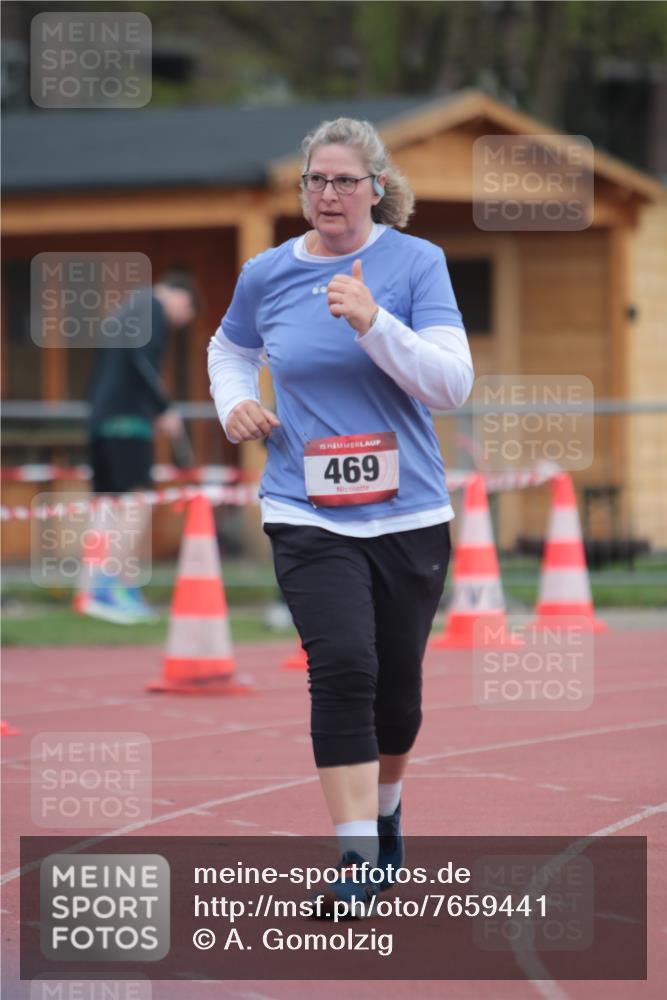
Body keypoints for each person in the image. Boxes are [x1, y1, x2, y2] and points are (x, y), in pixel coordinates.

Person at [208, 118, 473, 914]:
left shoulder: (415, 263)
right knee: (344, 669)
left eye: (343, 181)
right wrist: (235, 404)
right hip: (306, 508)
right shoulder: (266, 272)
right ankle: (357, 856)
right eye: (314, 181)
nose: (327, 194)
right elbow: (228, 347)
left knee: (397, 696)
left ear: (376, 189)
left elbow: (450, 385)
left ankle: (387, 820)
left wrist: (373, 322)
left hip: (409, 514)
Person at [76, 273, 198, 624]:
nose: (175, 325)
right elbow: (143, 362)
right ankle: (109, 589)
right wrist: (163, 408)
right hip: (127, 421)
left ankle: (96, 590)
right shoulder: (153, 309)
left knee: (106, 507)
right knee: (137, 502)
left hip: (99, 420)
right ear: (182, 300)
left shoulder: (125, 309)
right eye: (182, 318)